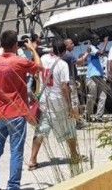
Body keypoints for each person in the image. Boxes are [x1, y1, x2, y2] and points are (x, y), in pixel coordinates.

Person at [0, 30, 41, 190]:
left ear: (1, 45)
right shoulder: (19, 61)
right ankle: (13, 186)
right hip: (16, 113)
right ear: (16, 45)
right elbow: (39, 67)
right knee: (16, 151)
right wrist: (33, 49)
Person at [29, 39, 81, 169]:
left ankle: (32, 159)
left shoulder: (44, 58)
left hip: (44, 102)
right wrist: (70, 107)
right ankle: (74, 155)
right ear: (63, 52)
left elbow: (36, 72)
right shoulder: (62, 64)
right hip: (58, 102)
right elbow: (64, 87)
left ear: (52, 48)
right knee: (69, 129)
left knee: (40, 131)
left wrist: (33, 49)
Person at [81, 35, 109, 121]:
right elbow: (100, 53)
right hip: (92, 76)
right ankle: (87, 114)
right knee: (92, 97)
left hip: (100, 75)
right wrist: (105, 43)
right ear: (92, 40)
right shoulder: (91, 47)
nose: (98, 40)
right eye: (97, 39)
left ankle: (98, 116)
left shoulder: (96, 48)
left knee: (103, 96)